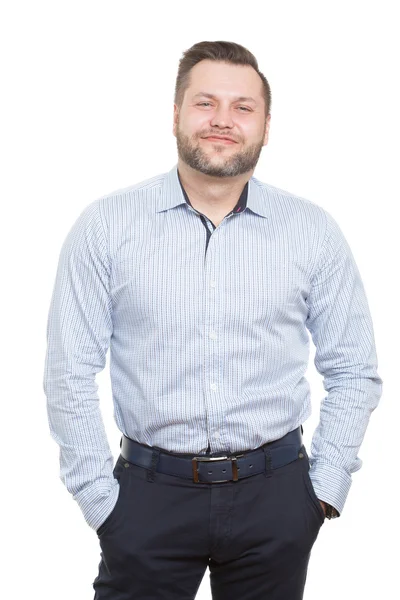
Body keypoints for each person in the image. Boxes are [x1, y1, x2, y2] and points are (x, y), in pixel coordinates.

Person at [43, 40, 383, 599]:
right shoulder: (106, 227)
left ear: (266, 126)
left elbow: (354, 369)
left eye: (242, 107)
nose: (223, 121)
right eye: (206, 103)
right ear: (176, 115)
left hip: (276, 498)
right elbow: (69, 373)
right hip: (146, 499)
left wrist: (322, 491)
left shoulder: (311, 231)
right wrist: (100, 503)